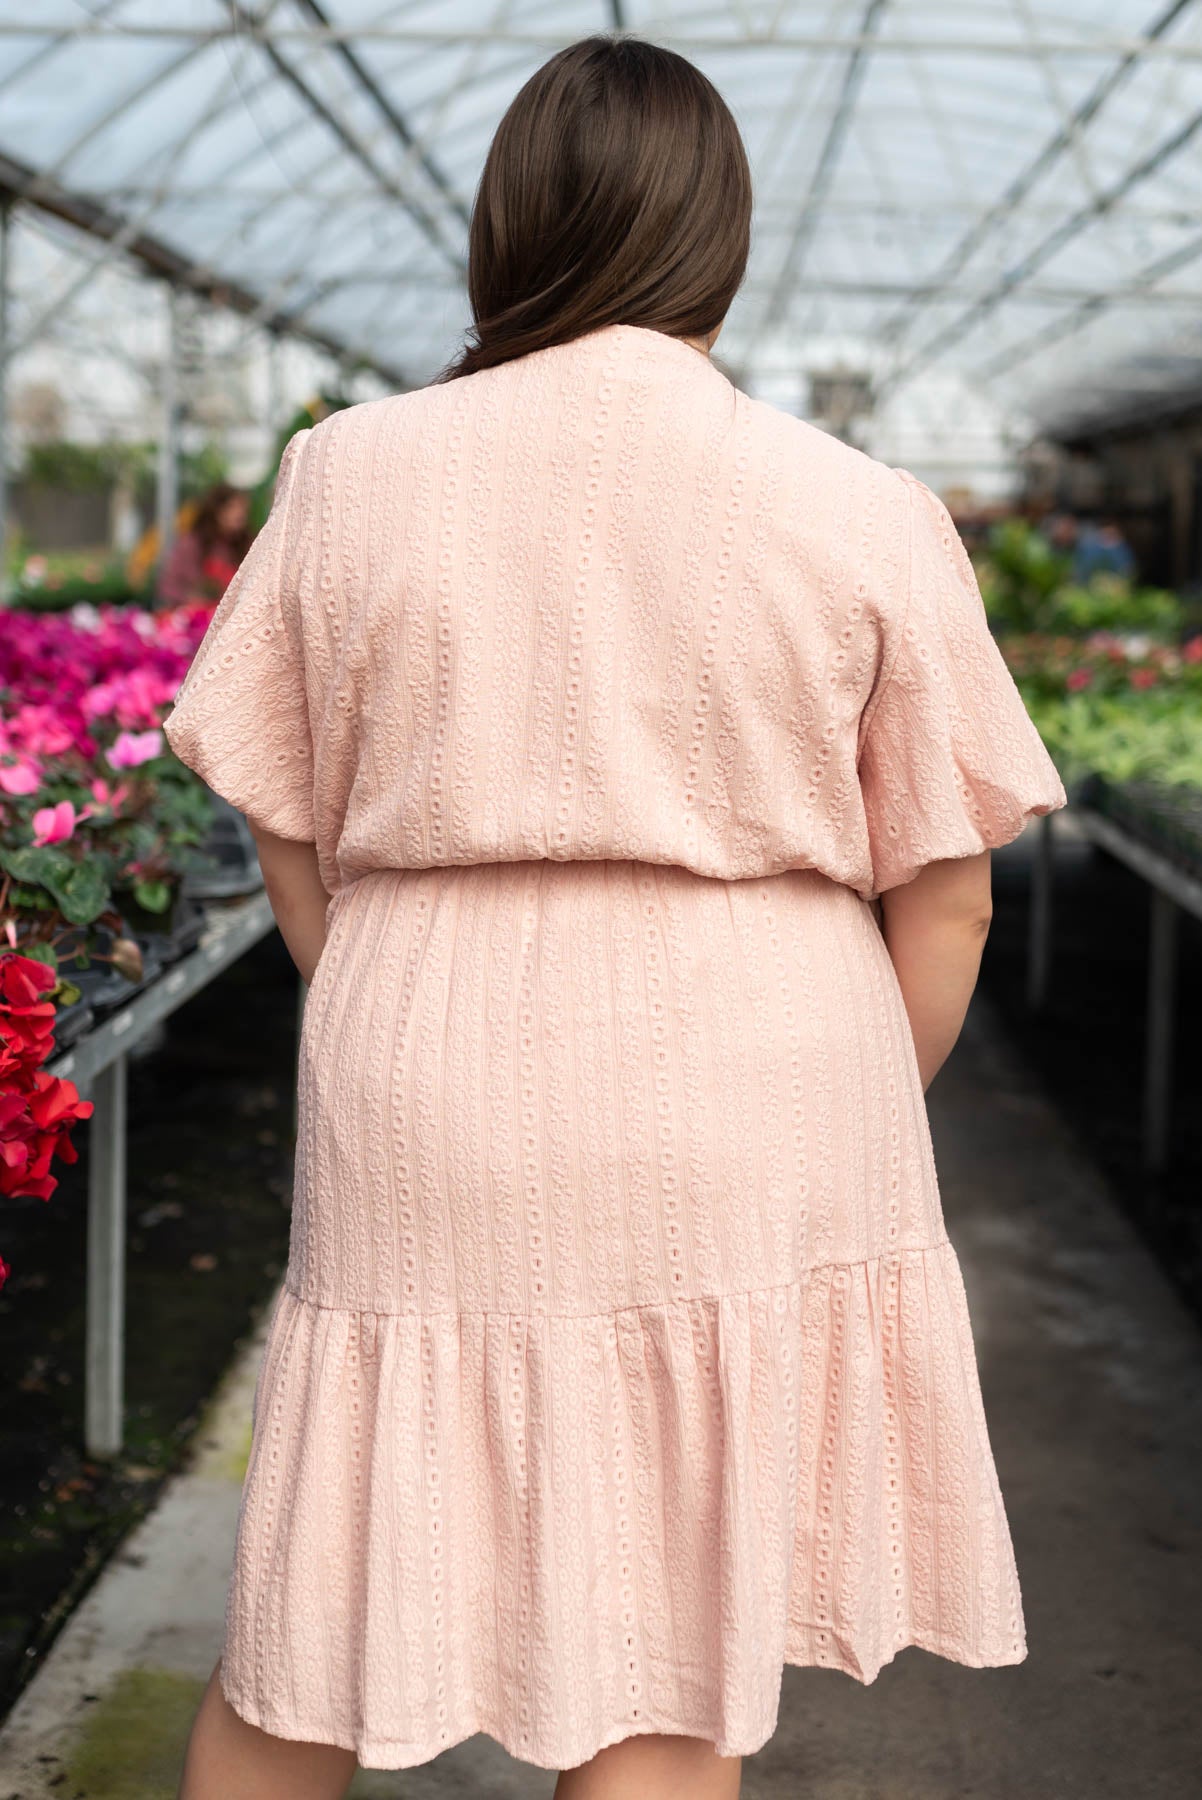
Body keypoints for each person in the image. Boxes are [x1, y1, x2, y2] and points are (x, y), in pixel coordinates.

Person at [164, 34, 1066, 1800]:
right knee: (668, 1640)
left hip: (429, 1064)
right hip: (751, 1077)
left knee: (317, 1617)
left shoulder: (347, 470)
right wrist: (851, 1095)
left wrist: (394, 1001)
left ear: (505, 233)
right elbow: (947, 891)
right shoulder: (860, 505)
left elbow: (280, 808)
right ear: (715, 242)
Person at [156, 481, 252, 608]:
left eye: (243, 509)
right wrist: (191, 600)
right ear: (216, 510)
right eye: (232, 507)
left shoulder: (248, 546)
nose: (239, 514)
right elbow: (168, 586)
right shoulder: (192, 544)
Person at [1072, 514, 1136, 584]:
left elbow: (1128, 570)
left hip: (1116, 586)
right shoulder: (1089, 547)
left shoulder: (1121, 548)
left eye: (1113, 535)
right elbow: (1080, 569)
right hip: (1088, 585)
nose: (1109, 538)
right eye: (1107, 534)